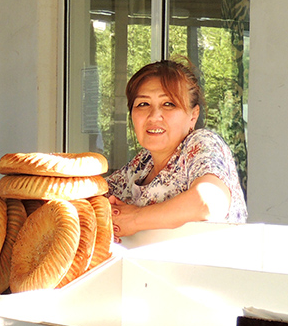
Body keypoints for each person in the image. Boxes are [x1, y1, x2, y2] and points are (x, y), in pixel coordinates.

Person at [105, 58, 247, 239]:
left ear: (193, 116)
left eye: (168, 104)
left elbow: (209, 202)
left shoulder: (200, 144)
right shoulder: (142, 164)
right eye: (143, 104)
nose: (154, 116)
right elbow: (94, 196)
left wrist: (134, 219)